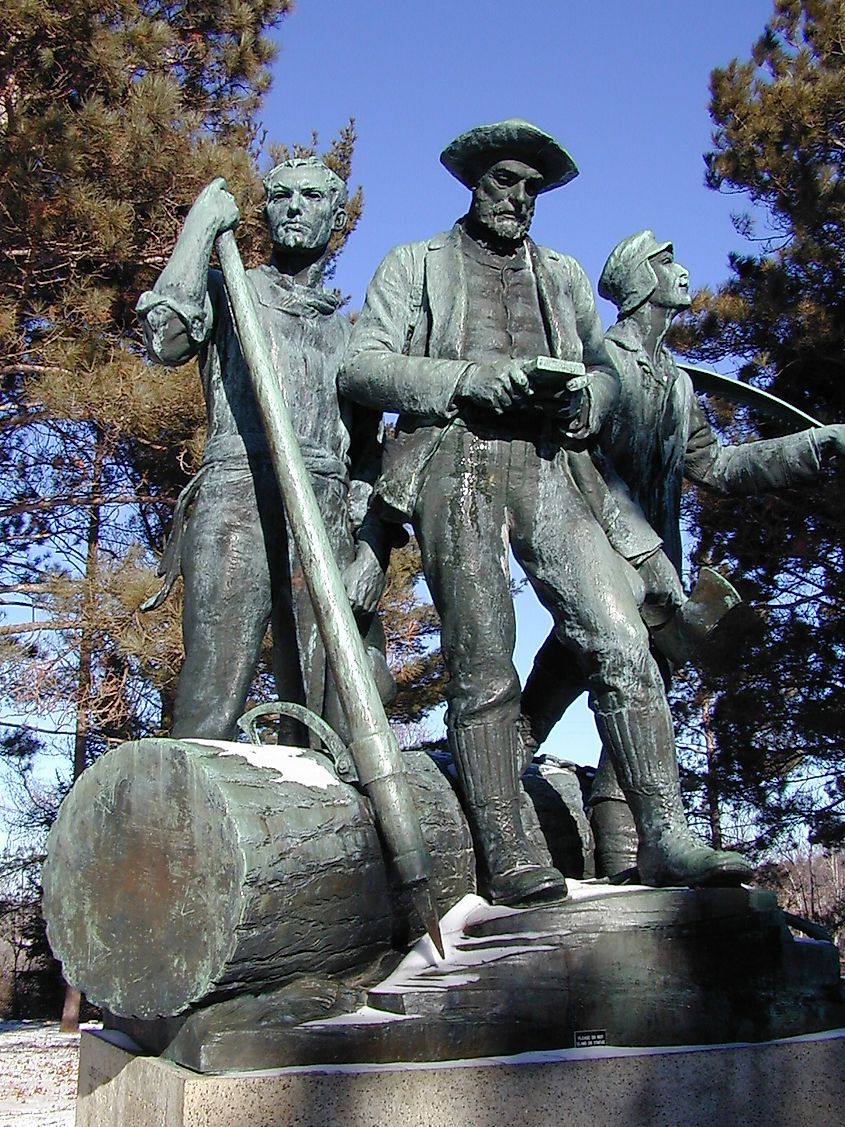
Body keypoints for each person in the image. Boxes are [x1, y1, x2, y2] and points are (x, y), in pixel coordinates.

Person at [340, 120, 751, 906]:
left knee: (623, 640)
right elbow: (363, 366)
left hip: (553, 469)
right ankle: (508, 846)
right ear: (472, 182)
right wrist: (466, 380)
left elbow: (603, 374)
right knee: (484, 660)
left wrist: (584, 404)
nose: (519, 199)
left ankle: (664, 834)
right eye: (505, 182)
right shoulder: (414, 263)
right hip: (454, 460)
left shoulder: (559, 275)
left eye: (532, 188)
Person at [521, 230, 845, 875]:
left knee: (633, 698)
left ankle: (626, 861)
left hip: (658, 569)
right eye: (666, 264)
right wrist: (628, 547)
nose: (683, 272)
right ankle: (488, 785)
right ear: (641, 283)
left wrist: (815, 448)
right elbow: (577, 463)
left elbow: (717, 465)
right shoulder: (601, 364)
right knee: (582, 673)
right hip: (595, 550)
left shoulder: (675, 385)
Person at [137, 158, 391, 742]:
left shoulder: (351, 335)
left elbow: (372, 455)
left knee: (335, 703)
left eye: (310, 196)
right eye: (280, 196)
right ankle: (188, 817)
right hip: (238, 494)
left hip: (326, 513)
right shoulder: (231, 292)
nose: (295, 207)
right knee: (213, 690)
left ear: (336, 215)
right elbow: (167, 340)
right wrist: (198, 228)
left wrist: (371, 549)